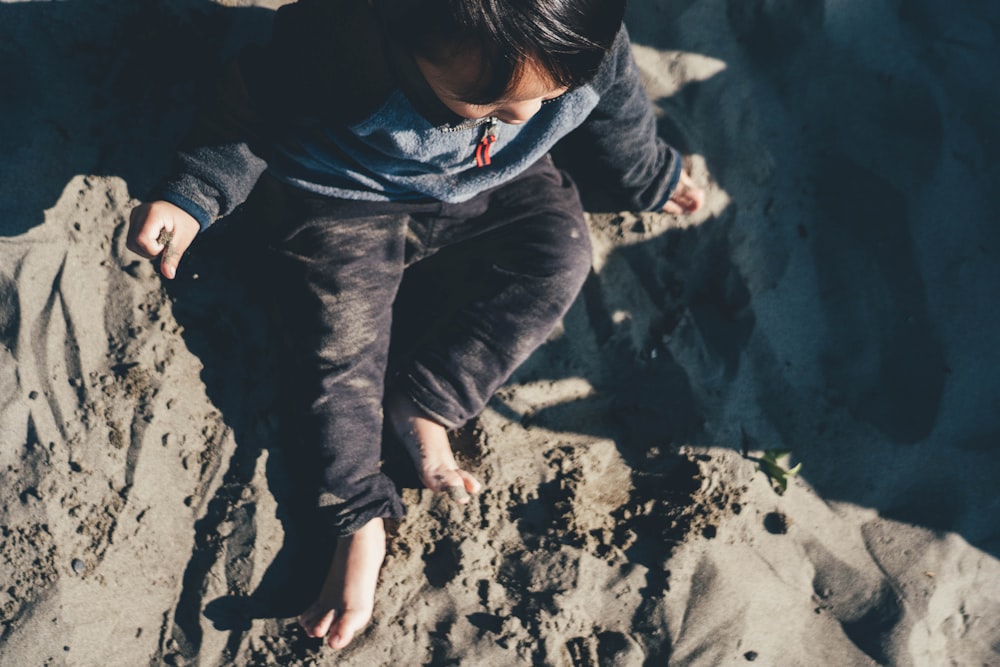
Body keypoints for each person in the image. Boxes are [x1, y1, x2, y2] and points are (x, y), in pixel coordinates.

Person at [126, 0, 704, 650]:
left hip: (491, 189)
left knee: (562, 252)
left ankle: (427, 401)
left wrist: (648, 175)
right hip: (346, 200)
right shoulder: (345, 43)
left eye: (549, 96)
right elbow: (249, 108)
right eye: (488, 99)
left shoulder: (576, 39)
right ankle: (356, 517)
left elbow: (619, 101)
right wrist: (194, 195)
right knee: (339, 353)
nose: (522, 115)